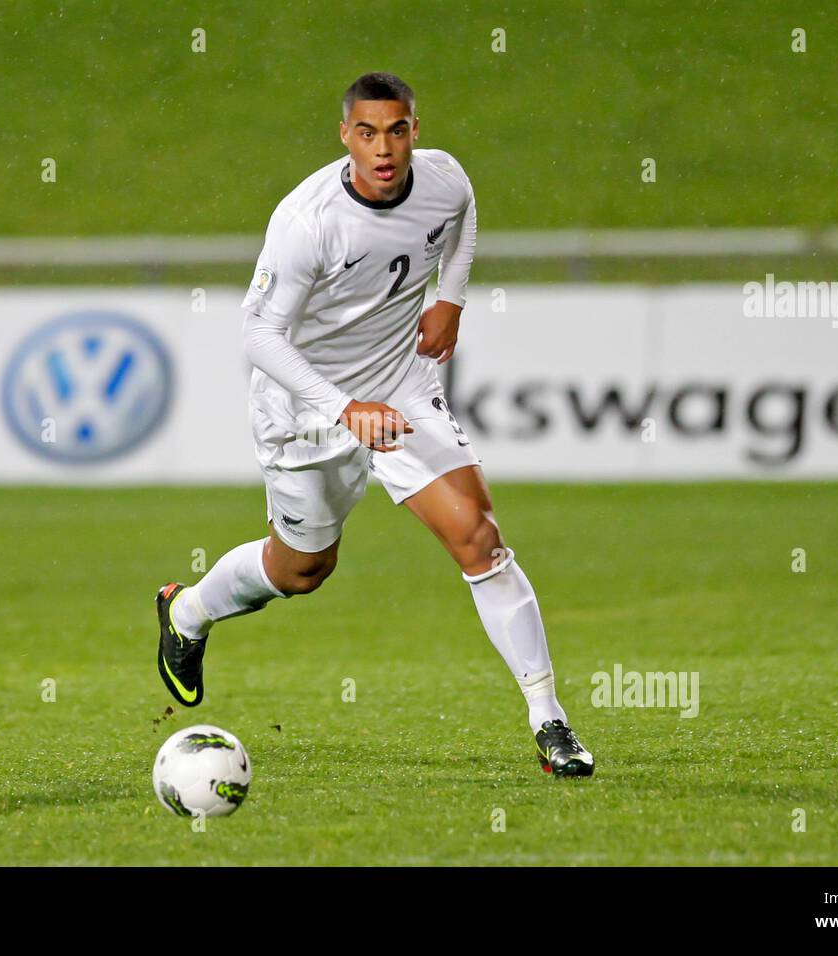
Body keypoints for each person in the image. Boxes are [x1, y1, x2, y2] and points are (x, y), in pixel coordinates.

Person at [156, 71, 593, 778]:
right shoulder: (309, 220)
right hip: (306, 408)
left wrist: (451, 295)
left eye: (396, 130)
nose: (383, 149)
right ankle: (188, 613)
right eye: (367, 133)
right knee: (301, 571)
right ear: (344, 136)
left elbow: (463, 213)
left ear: (415, 130)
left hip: (400, 386)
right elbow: (260, 336)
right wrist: (342, 409)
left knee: (479, 538)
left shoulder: (444, 179)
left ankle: (550, 721)